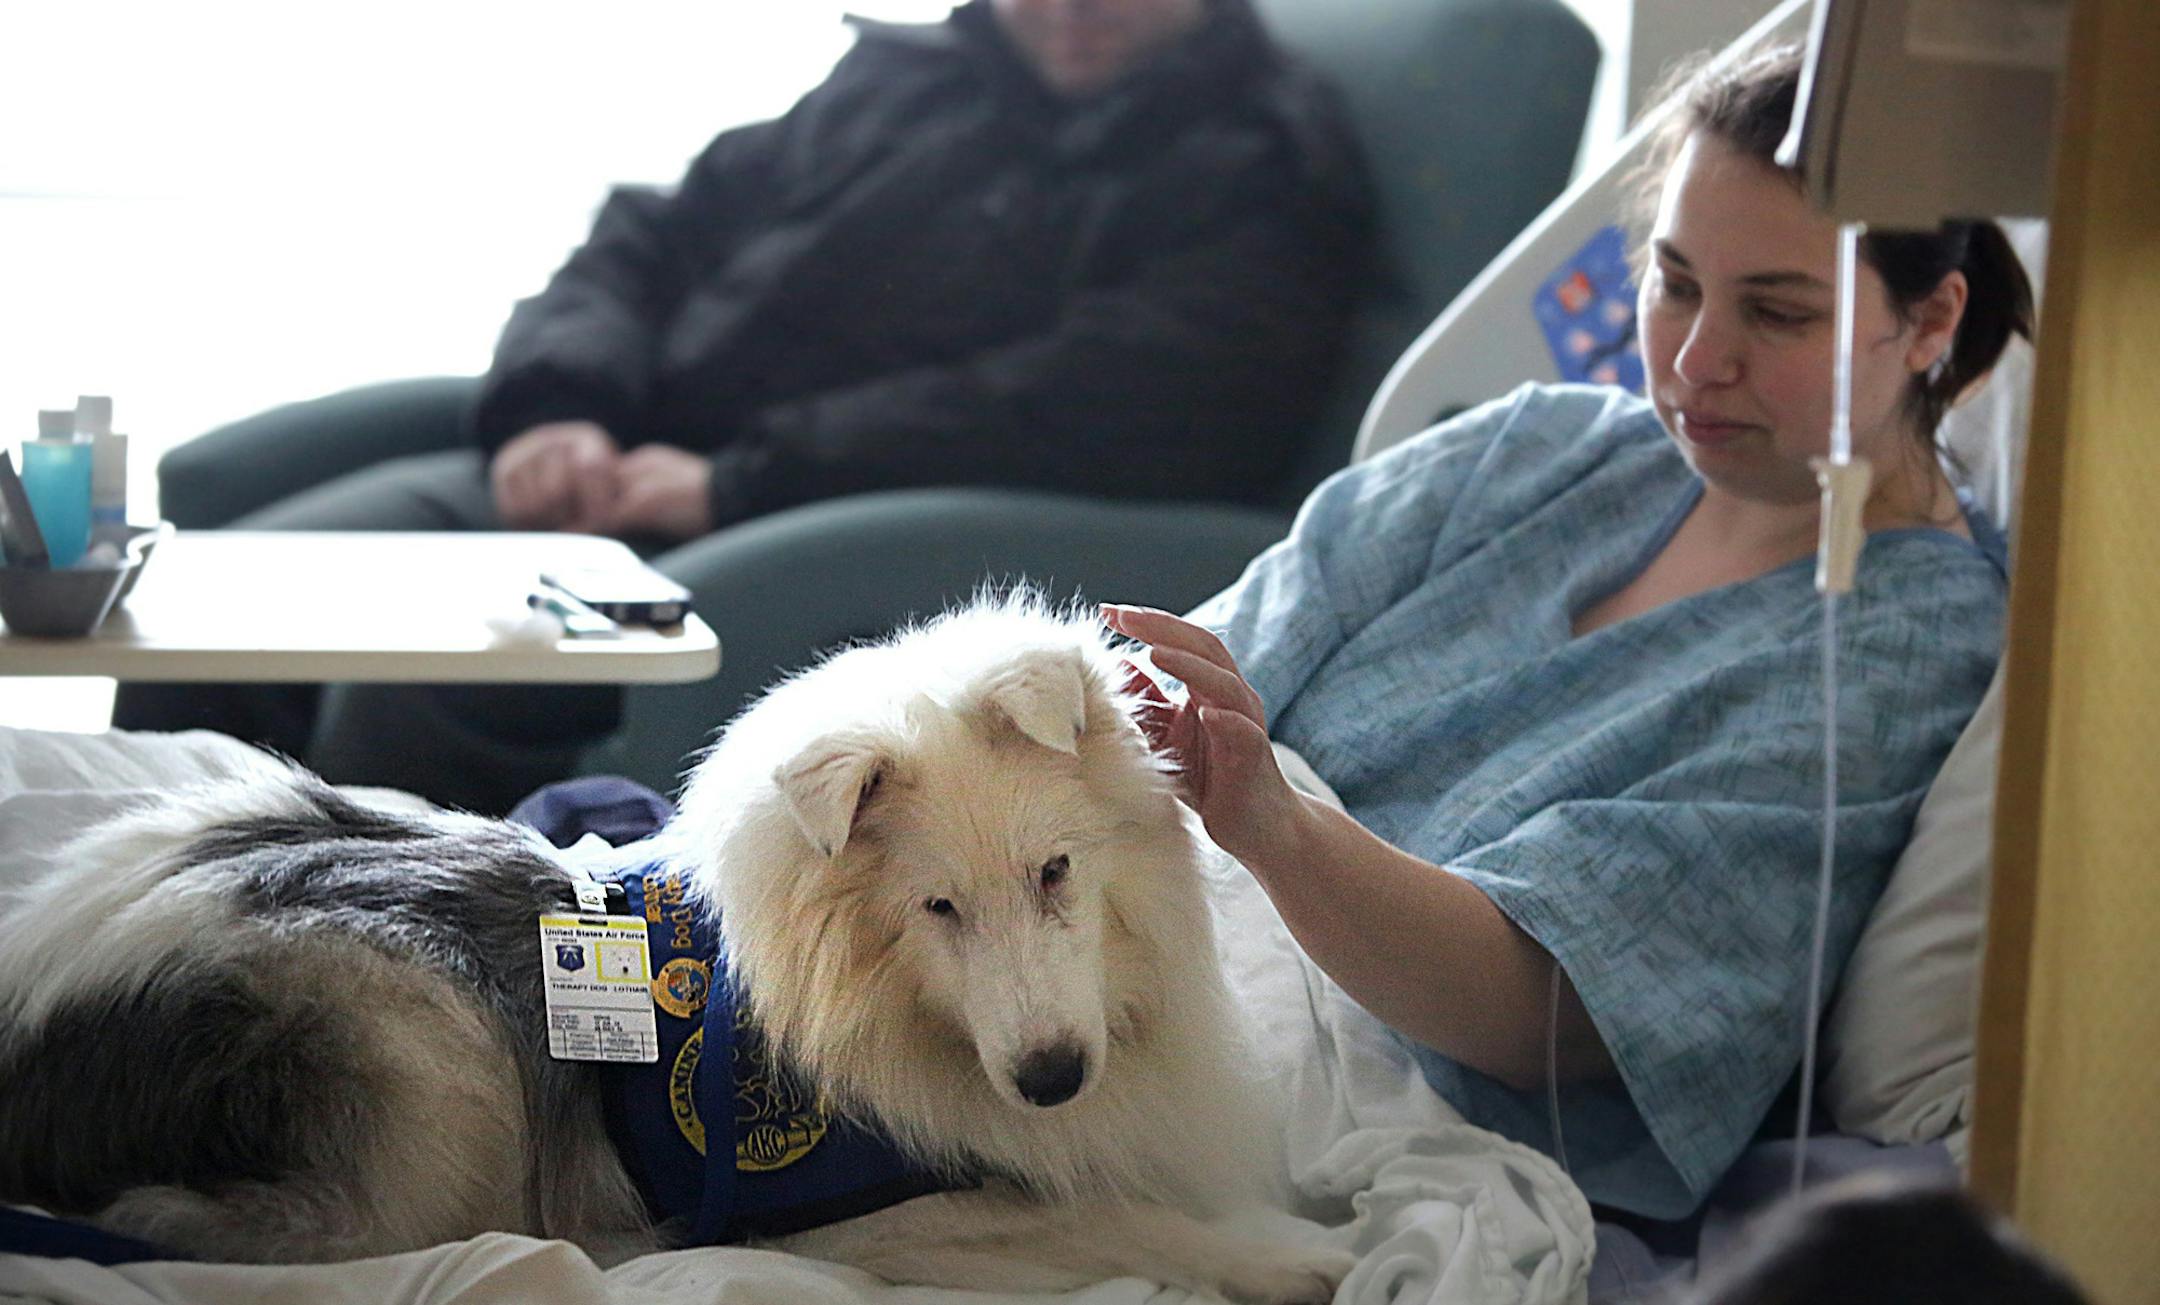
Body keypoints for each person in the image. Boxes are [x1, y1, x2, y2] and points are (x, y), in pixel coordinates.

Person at [1104, 42, 2032, 1221]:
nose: (1698, 360)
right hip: (1156, 947)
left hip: (1370, 1091)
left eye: (1778, 311)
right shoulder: (1532, 451)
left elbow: (1546, 1013)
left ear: (1929, 320)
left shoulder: (1908, 649)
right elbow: (1220, 664)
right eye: (1677, 282)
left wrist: (1275, 827)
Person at [113, 0, 1372, 811]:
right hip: (613, 472)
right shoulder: (912, 76)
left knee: (410, 683)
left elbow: (1106, 400)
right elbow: (651, 234)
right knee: (213, 609)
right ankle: (89, 996)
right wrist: (563, 404)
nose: (1072, 9)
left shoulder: (1257, 160)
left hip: (787, 529)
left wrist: (738, 479)